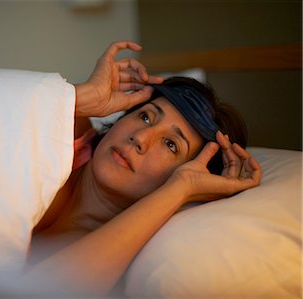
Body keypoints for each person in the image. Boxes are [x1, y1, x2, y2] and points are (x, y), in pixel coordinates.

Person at [19, 41, 262, 296]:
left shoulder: (113, 255)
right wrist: (82, 98)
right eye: (146, 117)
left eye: (170, 144)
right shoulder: (68, 130)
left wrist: (182, 188)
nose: (141, 137)